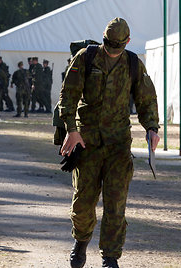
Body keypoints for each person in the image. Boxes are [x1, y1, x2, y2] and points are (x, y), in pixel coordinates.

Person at [59, 17, 160, 268]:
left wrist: (152, 128)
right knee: (83, 204)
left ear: (127, 42)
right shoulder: (86, 57)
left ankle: (110, 258)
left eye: (117, 46)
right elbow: (68, 95)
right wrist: (71, 130)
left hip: (118, 145)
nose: (112, 51)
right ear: (103, 38)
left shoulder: (133, 63)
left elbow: (146, 98)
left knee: (115, 204)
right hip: (87, 143)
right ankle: (81, 242)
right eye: (108, 44)